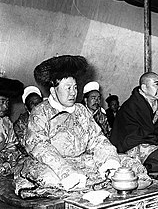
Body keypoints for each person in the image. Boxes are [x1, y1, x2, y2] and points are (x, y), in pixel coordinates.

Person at [13, 55, 121, 198]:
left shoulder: (81, 110)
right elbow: (39, 146)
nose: (73, 93)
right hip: (53, 165)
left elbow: (97, 139)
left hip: (82, 160)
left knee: (127, 165)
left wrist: (109, 160)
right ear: (53, 91)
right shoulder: (41, 112)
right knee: (51, 179)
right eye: (68, 88)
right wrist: (65, 170)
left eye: (75, 88)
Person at [0, 76, 24, 175]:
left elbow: (11, 146)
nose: (6, 107)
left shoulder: (6, 122)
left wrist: (8, 161)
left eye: (7, 102)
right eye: (2, 102)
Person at [13, 86, 43, 154]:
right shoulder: (20, 124)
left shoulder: (52, 116)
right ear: (26, 107)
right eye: (32, 103)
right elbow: (24, 148)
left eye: (39, 102)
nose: (37, 105)